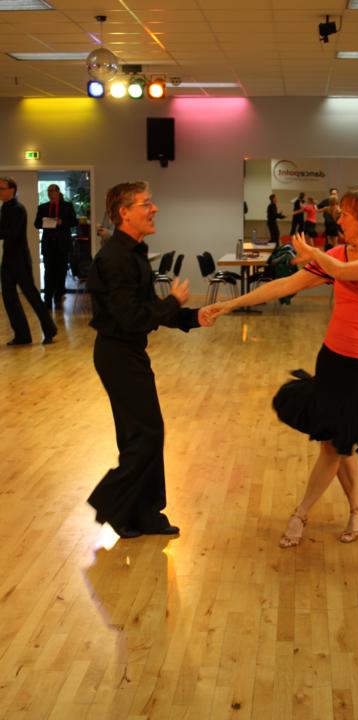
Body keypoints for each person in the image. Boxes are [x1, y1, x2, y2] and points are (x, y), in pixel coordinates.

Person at [207, 189, 358, 547]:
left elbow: (347, 273)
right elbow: (285, 284)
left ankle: (301, 513)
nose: (338, 219)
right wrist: (230, 305)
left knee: (333, 446)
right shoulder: (337, 254)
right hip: (332, 359)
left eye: (345, 214)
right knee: (337, 440)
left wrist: (315, 253)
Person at [86, 181, 214, 539]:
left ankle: (145, 514)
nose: (154, 208)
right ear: (124, 213)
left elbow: (146, 309)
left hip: (127, 352)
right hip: (117, 354)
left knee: (139, 436)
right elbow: (131, 319)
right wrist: (172, 302)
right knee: (147, 434)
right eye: (146, 204)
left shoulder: (134, 253)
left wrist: (192, 317)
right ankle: (112, 504)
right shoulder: (115, 258)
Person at [0, 176, 57, 346]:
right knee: (9, 298)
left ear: (12, 190)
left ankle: (50, 330)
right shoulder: (5, 208)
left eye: (1, 188)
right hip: (8, 259)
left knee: (31, 295)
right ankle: (22, 335)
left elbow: (13, 233)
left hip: (20, 260)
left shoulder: (18, 209)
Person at [34, 184, 78, 309]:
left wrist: (61, 222)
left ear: (58, 192)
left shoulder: (67, 206)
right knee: (48, 272)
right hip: (48, 245)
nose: (50, 193)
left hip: (62, 245)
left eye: (53, 191)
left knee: (61, 272)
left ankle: (58, 298)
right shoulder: (43, 207)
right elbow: (36, 224)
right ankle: (47, 299)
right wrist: (46, 222)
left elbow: (74, 222)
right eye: (49, 191)